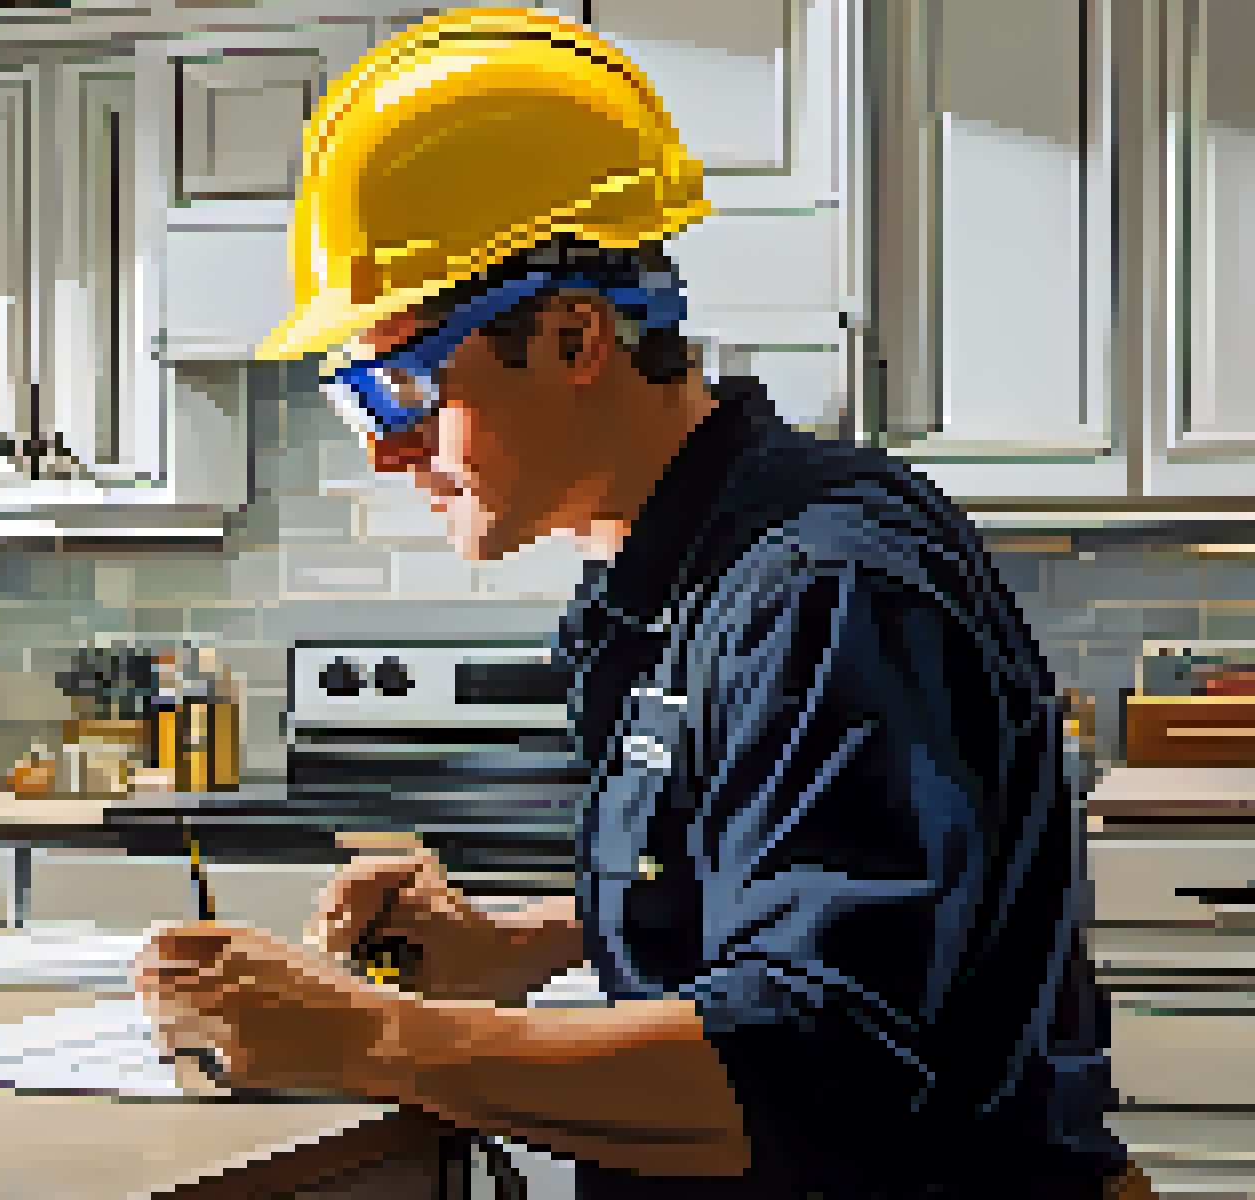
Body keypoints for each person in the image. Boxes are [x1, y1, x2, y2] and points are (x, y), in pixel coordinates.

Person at [130, 10, 1154, 1198]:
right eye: (357, 400)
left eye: (404, 385)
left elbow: (804, 1074)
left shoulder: (824, 591)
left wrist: (365, 1035)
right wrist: (525, 942)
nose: (384, 450)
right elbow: (770, 881)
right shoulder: (672, 577)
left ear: (575, 337)